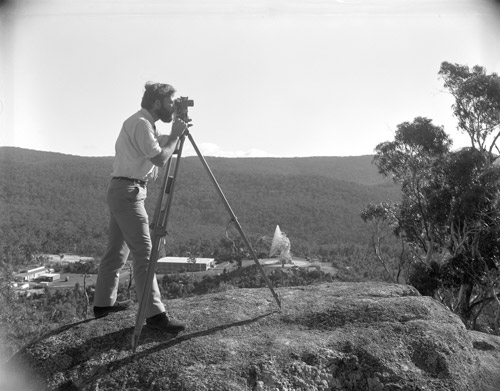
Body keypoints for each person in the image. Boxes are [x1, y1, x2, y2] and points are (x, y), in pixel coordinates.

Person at [93, 82, 187, 334]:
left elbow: (156, 147)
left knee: (117, 251)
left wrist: (173, 132)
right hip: (129, 193)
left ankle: (103, 304)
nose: (172, 107)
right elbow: (159, 157)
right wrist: (177, 135)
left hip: (122, 190)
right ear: (156, 102)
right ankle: (155, 316)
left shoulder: (143, 123)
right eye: (170, 102)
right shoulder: (141, 123)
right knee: (145, 253)